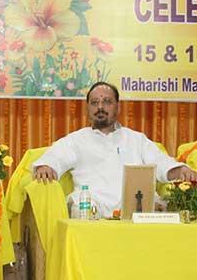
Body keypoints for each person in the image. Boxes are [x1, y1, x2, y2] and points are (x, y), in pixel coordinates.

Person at [33, 81, 197, 217]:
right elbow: (55, 157)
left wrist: (181, 170)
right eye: (95, 102)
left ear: (118, 107)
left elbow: (161, 163)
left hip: (136, 206)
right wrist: (46, 166)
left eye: (107, 102)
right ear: (88, 108)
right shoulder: (76, 139)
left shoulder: (136, 139)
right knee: (78, 205)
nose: (100, 107)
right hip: (93, 206)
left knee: (159, 206)